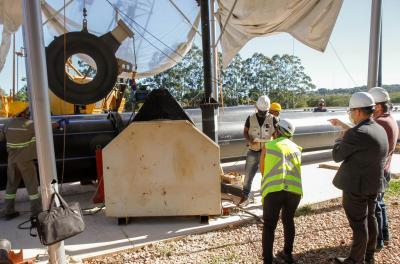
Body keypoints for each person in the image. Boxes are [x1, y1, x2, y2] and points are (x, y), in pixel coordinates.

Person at [329, 92, 388, 264]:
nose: (350, 115)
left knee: (359, 224)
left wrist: (339, 140)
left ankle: (355, 260)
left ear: (358, 111)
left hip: (357, 187)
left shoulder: (357, 133)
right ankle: (368, 256)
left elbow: (337, 156)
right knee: (371, 218)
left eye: (350, 111)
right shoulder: (379, 128)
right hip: (373, 184)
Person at [259, 119, 302, 264]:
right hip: (294, 191)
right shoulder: (297, 148)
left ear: (277, 130)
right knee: (288, 220)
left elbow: (262, 169)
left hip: (274, 190)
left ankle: (268, 261)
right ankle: (288, 254)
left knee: (269, 226)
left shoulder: (269, 146)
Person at [368, 87, 398, 250]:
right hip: (385, 170)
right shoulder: (390, 120)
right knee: (381, 204)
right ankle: (384, 235)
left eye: (369, 107)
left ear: (378, 107)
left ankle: (377, 241)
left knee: (375, 208)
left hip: (378, 172)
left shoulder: (380, 123)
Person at [0, 101, 41, 220]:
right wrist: (58, 125)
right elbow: (44, 129)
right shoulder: (29, 124)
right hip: (25, 160)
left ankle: (8, 211)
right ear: (22, 113)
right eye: (26, 110)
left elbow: (1, 137)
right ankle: (36, 212)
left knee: (11, 185)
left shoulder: (7, 124)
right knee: (32, 186)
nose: (28, 112)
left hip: (12, 160)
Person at [240, 95, 277, 204]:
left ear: (268, 109)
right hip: (253, 151)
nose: (262, 113)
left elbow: (276, 135)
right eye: (260, 111)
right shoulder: (250, 118)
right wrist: (250, 140)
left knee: (267, 175)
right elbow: (245, 132)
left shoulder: (273, 119)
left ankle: (266, 195)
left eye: (264, 111)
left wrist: (273, 144)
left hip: (267, 152)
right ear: (257, 108)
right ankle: (245, 196)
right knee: (248, 175)